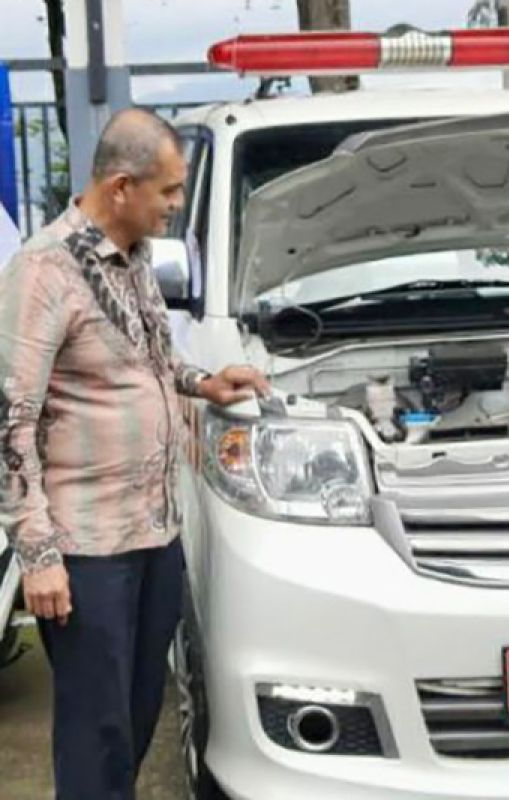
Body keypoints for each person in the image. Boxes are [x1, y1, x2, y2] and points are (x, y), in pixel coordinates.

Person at [0, 108, 269, 799]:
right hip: (88, 552)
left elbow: (150, 360)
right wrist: (38, 556)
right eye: (170, 191)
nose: (177, 207)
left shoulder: (135, 260)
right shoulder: (43, 273)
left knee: (138, 717)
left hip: (154, 534)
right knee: (98, 736)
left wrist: (204, 384)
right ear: (122, 187)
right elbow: (10, 421)